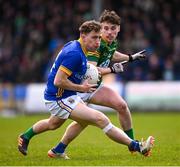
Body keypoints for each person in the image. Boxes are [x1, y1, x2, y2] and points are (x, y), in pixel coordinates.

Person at [18, 20, 154, 159]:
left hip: (68, 94)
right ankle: (137, 146)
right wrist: (81, 87)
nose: (98, 42)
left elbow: (102, 61)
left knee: (53, 124)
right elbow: (58, 81)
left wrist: (127, 59)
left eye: (99, 38)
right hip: (59, 98)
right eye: (94, 37)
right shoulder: (75, 53)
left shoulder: (81, 49)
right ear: (83, 36)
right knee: (101, 119)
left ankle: (30, 138)